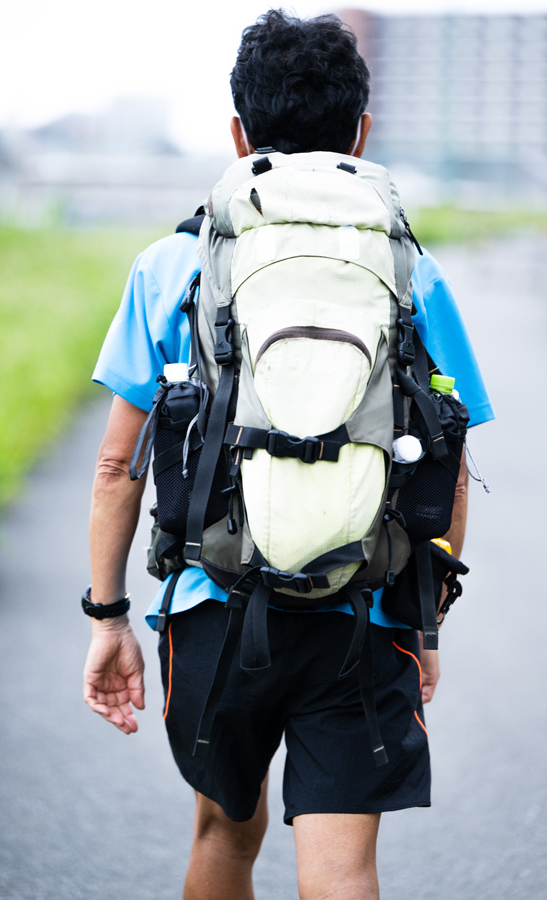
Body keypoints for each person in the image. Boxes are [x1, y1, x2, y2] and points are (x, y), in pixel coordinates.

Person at [83, 10, 493, 899]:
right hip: (365, 607)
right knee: (343, 869)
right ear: (362, 133)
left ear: (237, 132)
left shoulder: (172, 264)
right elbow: (449, 462)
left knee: (225, 835)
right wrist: (425, 618)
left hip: (212, 606)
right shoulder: (413, 270)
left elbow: (119, 467)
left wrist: (108, 616)